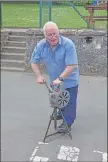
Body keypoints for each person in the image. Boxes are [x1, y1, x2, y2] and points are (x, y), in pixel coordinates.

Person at [30, 21, 79, 133]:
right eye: (50, 35)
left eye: (55, 33)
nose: (53, 37)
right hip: (55, 80)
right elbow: (33, 62)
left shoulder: (68, 44)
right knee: (57, 99)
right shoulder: (41, 46)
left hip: (70, 79)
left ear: (58, 32)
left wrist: (61, 79)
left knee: (69, 101)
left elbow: (71, 65)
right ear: (45, 36)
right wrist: (38, 76)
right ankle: (60, 112)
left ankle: (67, 123)